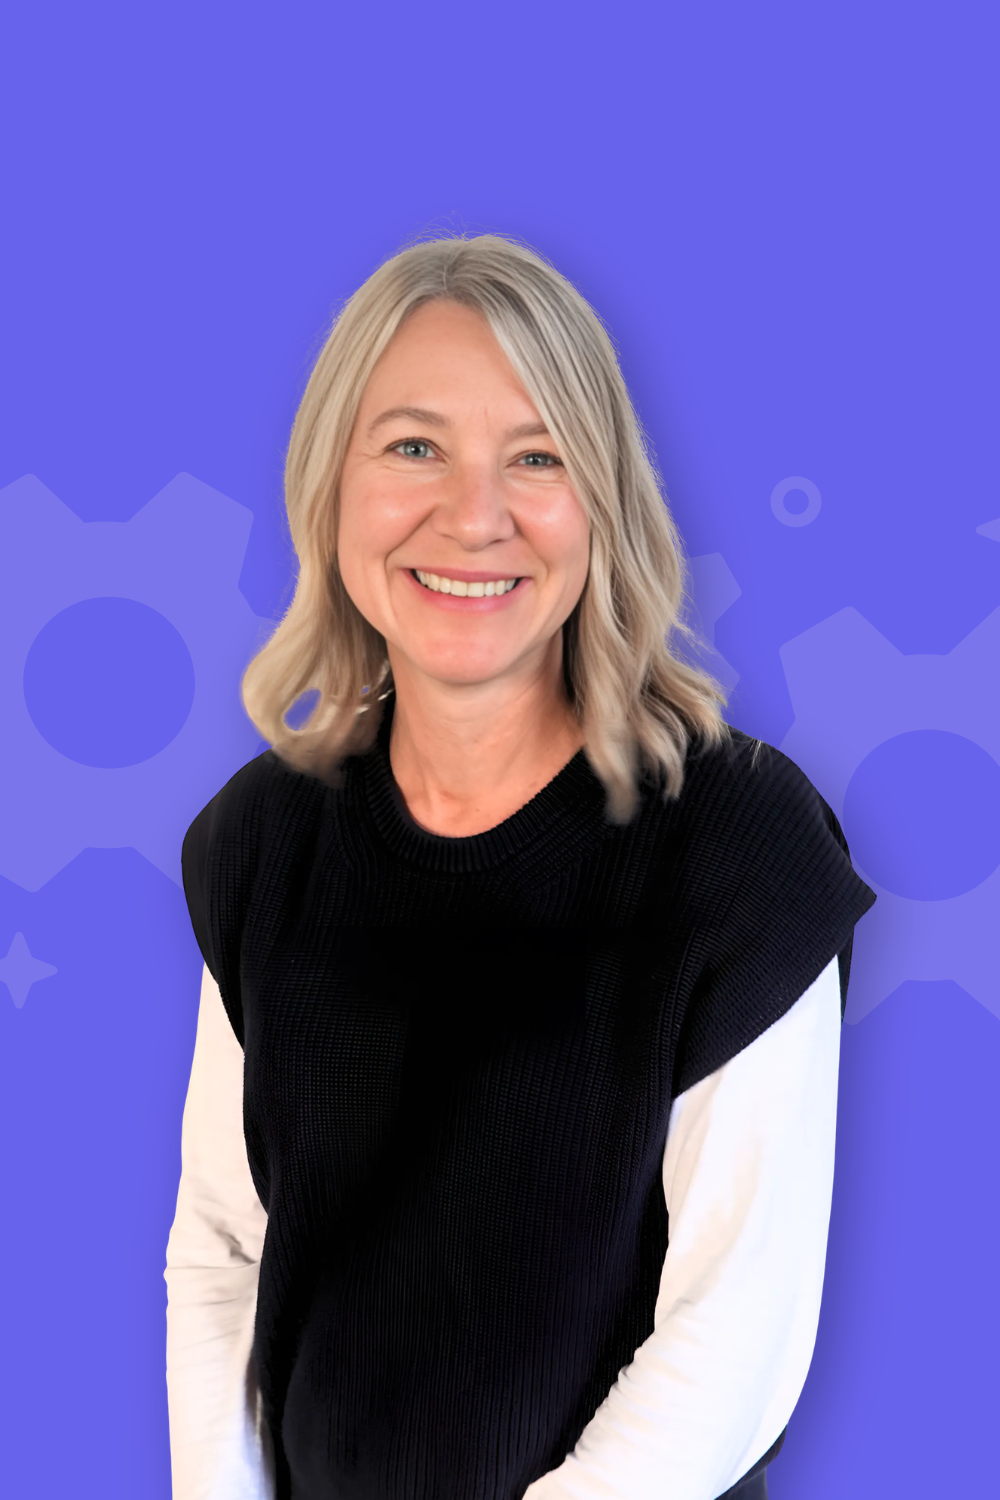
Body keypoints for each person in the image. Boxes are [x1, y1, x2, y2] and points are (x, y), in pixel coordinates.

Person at [164, 233, 876, 1500]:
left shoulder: (741, 852)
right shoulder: (262, 840)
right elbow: (226, 1248)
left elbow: (735, 1337)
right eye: (414, 446)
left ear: (599, 501)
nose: (473, 515)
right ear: (332, 482)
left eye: (535, 456)